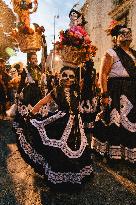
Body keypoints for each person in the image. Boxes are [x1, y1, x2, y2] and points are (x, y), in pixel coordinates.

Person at [13, 65, 94, 192]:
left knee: (77, 147)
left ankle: (74, 175)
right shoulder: (55, 91)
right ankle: (60, 176)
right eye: (65, 75)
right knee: (58, 148)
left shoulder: (76, 90)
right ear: (60, 77)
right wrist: (31, 115)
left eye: (71, 76)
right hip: (60, 122)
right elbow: (41, 103)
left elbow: (86, 81)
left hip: (76, 125)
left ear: (74, 79)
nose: (68, 78)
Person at [91, 22, 136, 164]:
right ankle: (111, 152)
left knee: (130, 120)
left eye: (128, 32)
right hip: (116, 90)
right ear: (116, 38)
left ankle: (127, 152)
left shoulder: (134, 54)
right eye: (123, 33)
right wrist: (104, 94)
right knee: (114, 120)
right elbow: (103, 74)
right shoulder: (111, 52)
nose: (126, 35)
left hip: (131, 90)